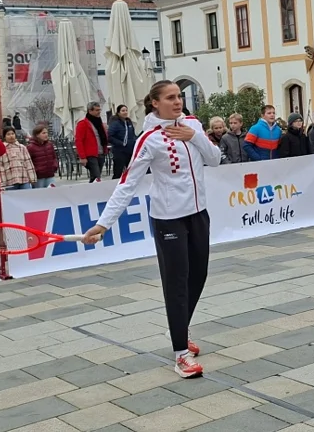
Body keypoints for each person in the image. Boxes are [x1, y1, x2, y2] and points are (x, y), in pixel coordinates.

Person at [83, 80, 221, 379]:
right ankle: (180, 354)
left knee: (199, 276)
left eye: (179, 96)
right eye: (170, 97)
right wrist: (104, 223)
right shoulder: (149, 139)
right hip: (168, 219)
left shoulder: (193, 125)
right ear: (155, 103)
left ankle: (180, 330)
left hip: (199, 214)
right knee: (176, 283)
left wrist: (195, 137)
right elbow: (127, 184)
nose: (177, 101)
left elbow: (215, 159)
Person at [75, 102, 108, 182]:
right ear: (90, 111)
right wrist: (82, 157)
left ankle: (92, 188)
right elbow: (79, 141)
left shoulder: (99, 123)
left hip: (101, 153)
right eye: (96, 110)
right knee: (96, 176)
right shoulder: (83, 124)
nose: (99, 112)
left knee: (95, 177)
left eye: (99, 110)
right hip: (90, 154)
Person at [107, 105, 137, 180]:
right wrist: (120, 143)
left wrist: (135, 142)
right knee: (118, 171)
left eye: (126, 110)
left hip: (130, 150)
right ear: (118, 112)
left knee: (131, 170)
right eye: (123, 111)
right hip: (119, 151)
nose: (125, 112)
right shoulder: (115, 123)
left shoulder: (128, 122)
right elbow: (110, 136)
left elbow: (132, 134)